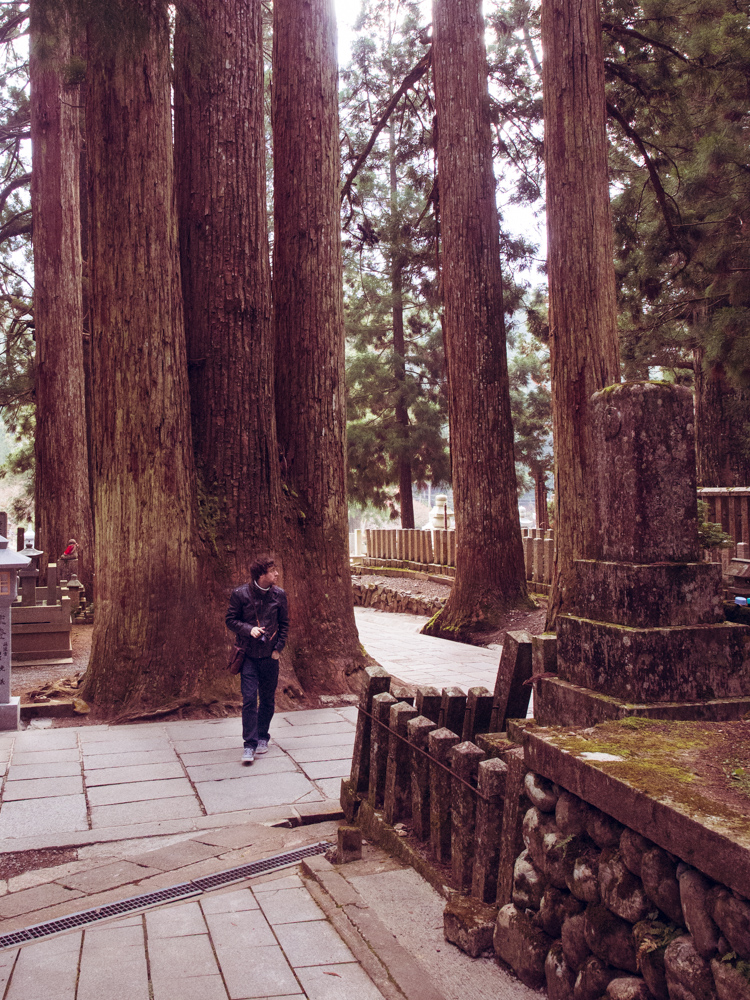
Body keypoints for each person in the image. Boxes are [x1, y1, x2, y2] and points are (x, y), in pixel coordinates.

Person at [226, 554, 289, 764]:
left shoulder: (279, 595)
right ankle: (249, 745)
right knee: (250, 699)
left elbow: (285, 624)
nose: (277, 574)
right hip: (248, 656)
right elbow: (230, 620)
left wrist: (278, 648)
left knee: (268, 699)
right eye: (273, 571)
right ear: (262, 574)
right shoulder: (240, 594)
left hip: (270, 656)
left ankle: (263, 736)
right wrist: (248, 629)